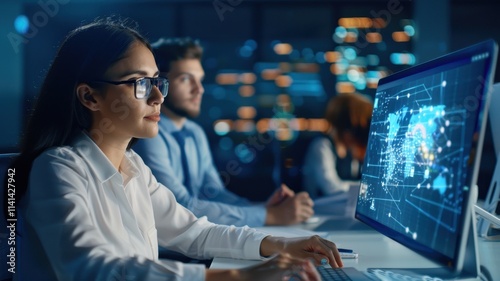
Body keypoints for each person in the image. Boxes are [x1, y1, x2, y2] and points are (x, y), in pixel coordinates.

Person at [6, 18, 343, 281]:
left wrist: (282, 244)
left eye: (157, 81)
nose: (158, 97)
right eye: (140, 83)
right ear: (90, 96)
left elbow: (194, 231)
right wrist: (238, 276)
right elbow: (94, 270)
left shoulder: (133, 166)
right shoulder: (58, 168)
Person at [133, 37, 314, 227]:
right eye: (185, 79)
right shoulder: (149, 134)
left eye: (200, 80)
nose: (199, 89)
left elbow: (215, 193)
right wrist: (268, 216)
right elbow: (179, 206)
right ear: (161, 83)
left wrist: (262, 209)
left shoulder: (194, 133)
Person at [302, 92, 373, 199]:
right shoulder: (322, 146)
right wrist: (368, 188)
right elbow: (331, 188)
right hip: (320, 212)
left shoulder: (352, 151)